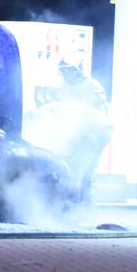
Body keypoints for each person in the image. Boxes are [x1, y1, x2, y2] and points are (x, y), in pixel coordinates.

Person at [47, 56, 112, 203]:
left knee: (83, 170)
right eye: (63, 70)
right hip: (76, 134)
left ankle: (82, 205)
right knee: (69, 167)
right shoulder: (63, 88)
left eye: (68, 70)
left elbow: (98, 112)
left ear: (76, 70)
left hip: (93, 133)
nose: (64, 74)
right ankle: (73, 203)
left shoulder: (91, 86)